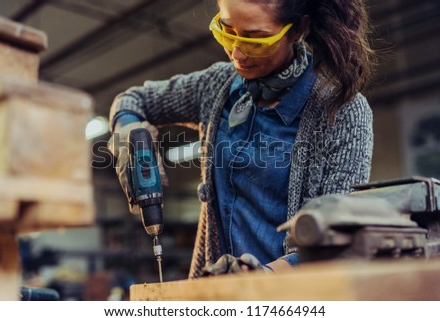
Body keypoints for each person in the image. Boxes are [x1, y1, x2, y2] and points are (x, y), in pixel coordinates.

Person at [108, 0, 375, 279]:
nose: (236, 53)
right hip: (216, 296)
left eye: (255, 39)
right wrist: (128, 132)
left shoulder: (341, 110)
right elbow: (132, 100)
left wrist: (262, 276)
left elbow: (337, 238)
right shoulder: (217, 85)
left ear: (298, 29)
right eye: (227, 31)